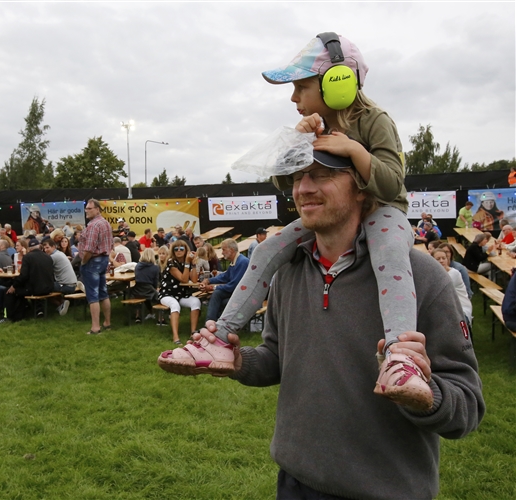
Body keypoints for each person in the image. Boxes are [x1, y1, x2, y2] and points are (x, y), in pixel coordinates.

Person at [162, 147, 484, 499]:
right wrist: (240, 362)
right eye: (298, 177)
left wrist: (425, 395)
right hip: (296, 483)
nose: (304, 188)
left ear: (362, 186)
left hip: (388, 491)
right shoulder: (286, 272)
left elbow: (466, 406)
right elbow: (278, 357)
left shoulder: (423, 278)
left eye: (322, 175)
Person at [159, 32, 424, 407]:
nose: (293, 97)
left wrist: (352, 148)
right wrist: (295, 146)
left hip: (382, 212)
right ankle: (220, 338)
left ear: (339, 84)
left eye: (301, 87)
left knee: (391, 258)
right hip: (339, 216)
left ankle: (401, 357)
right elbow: (285, 181)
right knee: (267, 249)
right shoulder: (315, 127)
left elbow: (392, 182)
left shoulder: (374, 119)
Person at [79, 199, 113, 335]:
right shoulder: (106, 223)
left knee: (92, 295)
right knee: (103, 292)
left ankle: (95, 327)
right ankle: (107, 322)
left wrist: (83, 262)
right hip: (104, 259)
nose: (87, 211)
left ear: (97, 209)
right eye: (86, 208)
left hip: (92, 261)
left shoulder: (93, 225)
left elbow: (89, 249)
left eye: (90, 208)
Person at [158, 241, 200, 345]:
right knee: (175, 305)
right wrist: (187, 263)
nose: (179, 251)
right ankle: (175, 337)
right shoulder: (171, 262)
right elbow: (184, 279)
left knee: (196, 301)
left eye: (182, 248)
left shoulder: (188, 262)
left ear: (186, 250)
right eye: (176, 249)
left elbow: (194, 280)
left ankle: (193, 333)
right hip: (167, 293)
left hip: (181, 294)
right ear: (173, 251)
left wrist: (193, 264)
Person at [4, 239, 55, 322]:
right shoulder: (48, 257)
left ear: (29, 248)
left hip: (35, 289)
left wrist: (13, 286)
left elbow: (24, 276)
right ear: (39, 246)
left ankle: (11, 317)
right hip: (49, 287)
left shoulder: (28, 257)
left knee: (9, 291)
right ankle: (29, 311)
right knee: (21, 290)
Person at [199, 239, 249, 323]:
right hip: (237, 293)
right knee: (218, 297)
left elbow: (233, 285)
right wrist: (208, 280)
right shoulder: (236, 261)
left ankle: (210, 323)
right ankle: (214, 324)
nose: (222, 253)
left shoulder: (242, 262)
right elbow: (225, 276)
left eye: (223, 249)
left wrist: (212, 287)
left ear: (231, 250)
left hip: (243, 295)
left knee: (217, 295)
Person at [431, 248, 473, 324]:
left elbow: (437, 291)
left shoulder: (454, 274)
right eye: (438, 259)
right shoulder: (435, 274)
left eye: (443, 258)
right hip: (447, 309)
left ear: (447, 259)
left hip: (461, 309)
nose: (441, 261)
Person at [41, 239, 77, 316]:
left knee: (43, 288)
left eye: (47, 248)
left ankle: (60, 304)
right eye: (44, 248)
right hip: (72, 283)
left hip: (66, 285)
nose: (45, 250)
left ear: (53, 247)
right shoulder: (60, 253)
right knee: (49, 285)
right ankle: (61, 304)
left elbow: (43, 269)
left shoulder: (53, 257)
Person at [130, 248, 159, 323]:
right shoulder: (155, 267)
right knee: (159, 297)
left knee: (141, 297)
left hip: (137, 289)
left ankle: (138, 315)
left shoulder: (138, 266)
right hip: (149, 289)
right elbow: (155, 282)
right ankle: (160, 317)